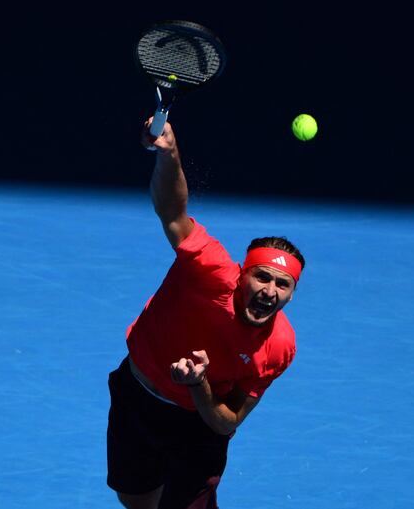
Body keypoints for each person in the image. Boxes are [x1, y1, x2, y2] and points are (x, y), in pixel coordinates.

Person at [106, 118, 306, 509]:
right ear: (241, 276)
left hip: (196, 427)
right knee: (134, 498)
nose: (269, 291)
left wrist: (199, 387)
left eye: (282, 285)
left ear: (291, 296)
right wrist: (169, 154)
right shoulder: (209, 271)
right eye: (262, 277)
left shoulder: (279, 346)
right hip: (138, 397)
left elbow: (227, 422)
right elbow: (173, 212)